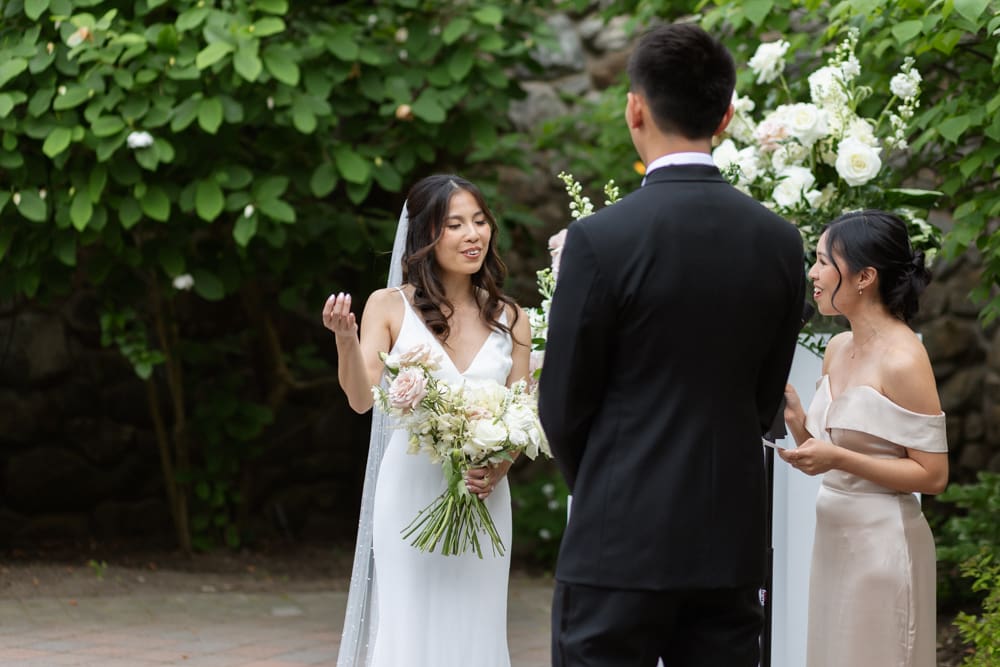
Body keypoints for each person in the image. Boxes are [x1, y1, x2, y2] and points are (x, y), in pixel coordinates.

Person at [537, 22, 805, 667]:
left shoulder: (602, 240)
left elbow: (563, 403)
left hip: (616, 540)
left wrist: (605, 485)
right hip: (728, 540)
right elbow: (765, 394)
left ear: (635, 107)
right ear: (728, 114)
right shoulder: (779, 242)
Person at [324, 174, 531, 667]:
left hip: (483, 498)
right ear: (425, 236)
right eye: (455, 224)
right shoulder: (388, 305)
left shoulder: (511, 317)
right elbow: (360, 399)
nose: (473, 234)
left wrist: (500, 466)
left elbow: (522, 415)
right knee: (409, 625)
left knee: (476, 628)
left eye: (479, 221)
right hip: (408, 493)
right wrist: (346, 341)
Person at [779, 209, 948, 667]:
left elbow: (932, 475)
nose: (812, 274)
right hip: (834, 534)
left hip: (883, 544)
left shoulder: (905, 358)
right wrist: (797, 421)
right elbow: (837, 445)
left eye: (823, 261)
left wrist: (837, 459)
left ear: (864, 277)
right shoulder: (837, 348)